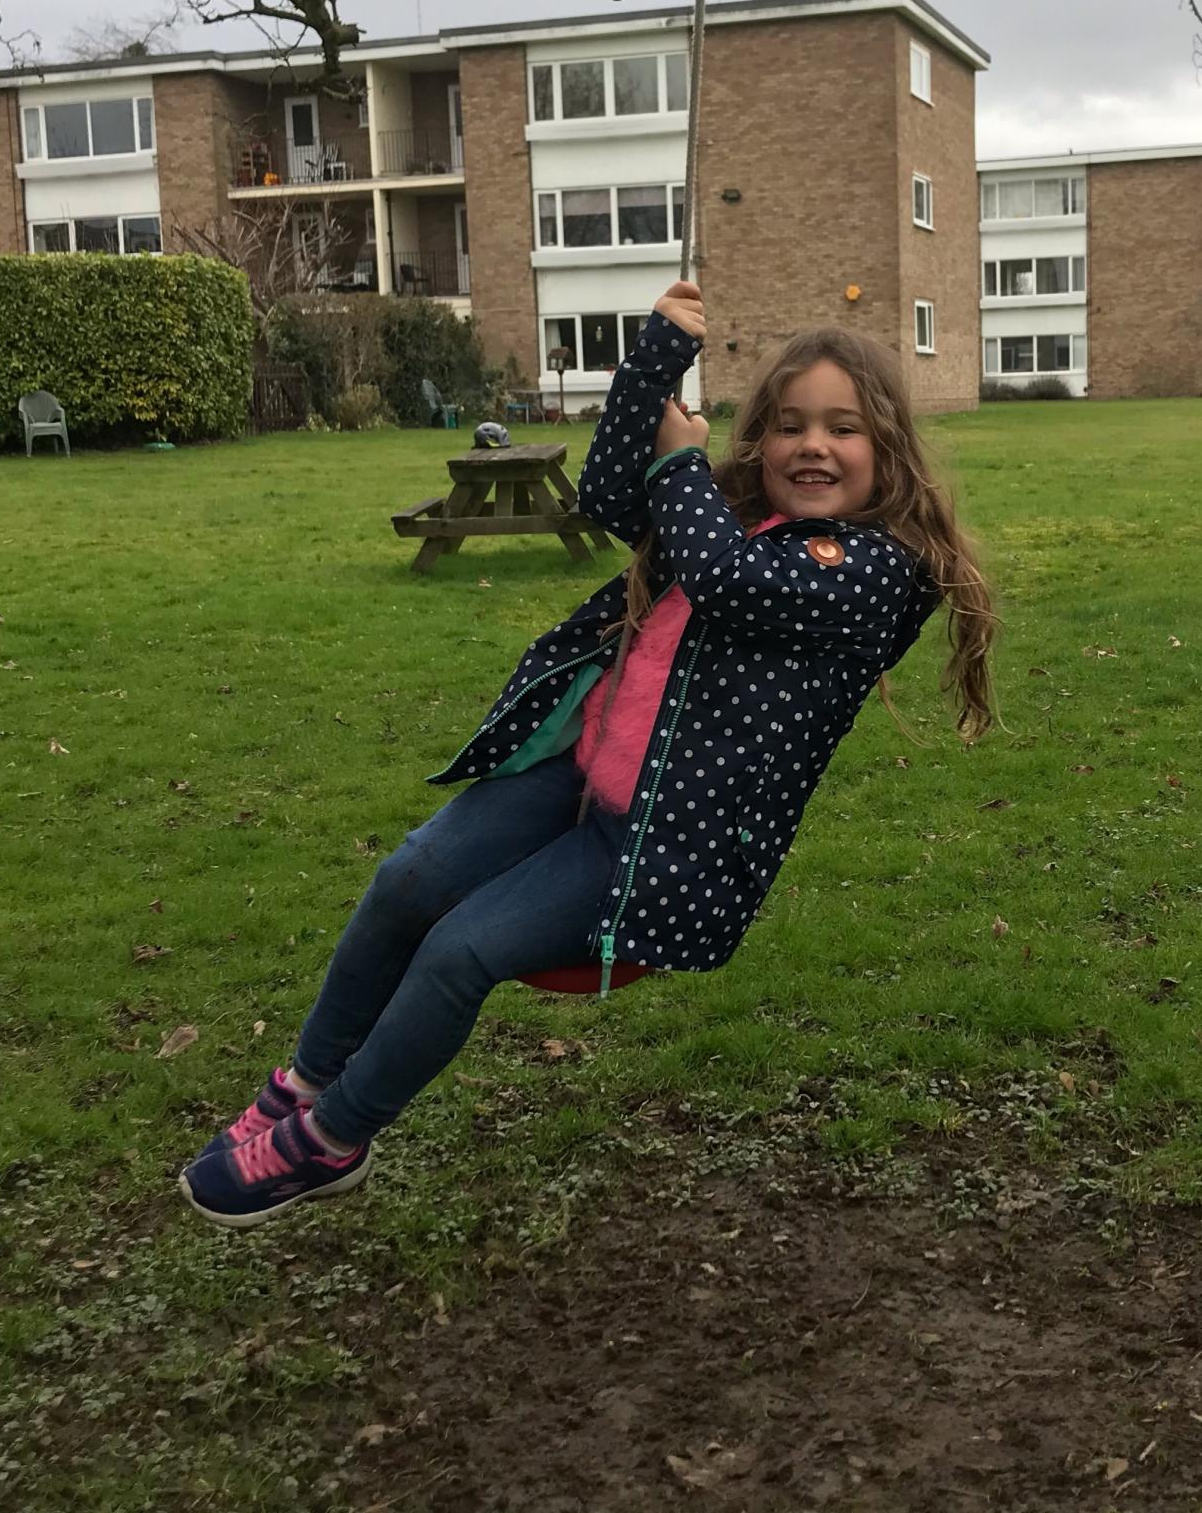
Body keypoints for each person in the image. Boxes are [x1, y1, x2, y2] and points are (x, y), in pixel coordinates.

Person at [180, 280, 996, 1226]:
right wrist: (654, 361)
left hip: (671, 843)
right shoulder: (734, 510)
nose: (812, 446)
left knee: (459, 949)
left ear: (887, 448)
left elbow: (732, 587)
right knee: (409, 880)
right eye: (787, 425)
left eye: (843, 429)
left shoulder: (873, 571)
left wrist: (685, 471)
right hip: (583, 775)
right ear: (760, 439)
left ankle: (331, 1143)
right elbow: (614, 494)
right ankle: (305, 1084)